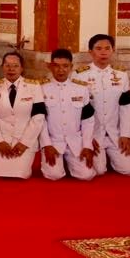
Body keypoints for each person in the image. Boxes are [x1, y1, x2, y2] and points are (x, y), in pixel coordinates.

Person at [73, 34, 130, 176]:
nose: (103, 52)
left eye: (107, 48)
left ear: (113, 50)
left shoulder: (121, 75)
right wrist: (85, 139)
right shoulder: (79, 75)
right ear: (90, 52)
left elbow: (126, 107)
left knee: (129, 170)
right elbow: (76, 111)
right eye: (99, 48)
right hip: (93, 134)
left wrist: (126, 134)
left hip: (114, 133)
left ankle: (111, 156)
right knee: (99, 171)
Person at [0, 51, 47, 179]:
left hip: (23, 137)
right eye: (7, 65)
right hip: (0, 138)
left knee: (21, 173)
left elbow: (38, 117)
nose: (11, 69)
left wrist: (24, 142)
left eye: (15, 66)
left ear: (22, 68)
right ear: (2, 67)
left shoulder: (34, 86)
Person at [39, 49, 96, 181]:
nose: (61, 70)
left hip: (75, 141)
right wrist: (46, 144)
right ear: (50, 66)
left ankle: (68, 162)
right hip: (53, 141)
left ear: (71, 67)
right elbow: (40, 120)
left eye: (65, 66)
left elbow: (88, 120)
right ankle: (61, 163)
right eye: (56, 66)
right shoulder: (41, 88)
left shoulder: (82, 89)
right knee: (54, 175)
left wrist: (87, 145)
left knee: (86, 175)